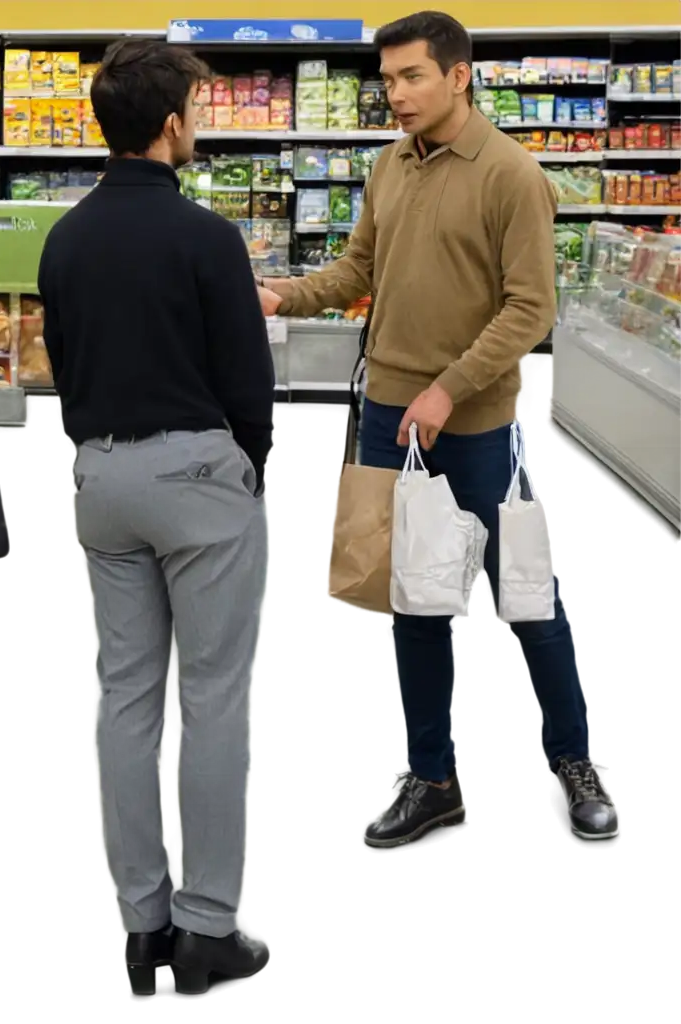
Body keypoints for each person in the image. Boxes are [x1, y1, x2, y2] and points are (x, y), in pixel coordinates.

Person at [259, 11, 620, 846]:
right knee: (416, 600)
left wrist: (450, 389)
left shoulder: (511, 175)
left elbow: (532, 308)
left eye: (412, 76)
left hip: (476, 424)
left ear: (459, 75)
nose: (397, 95)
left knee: (527, 594)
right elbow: (359, 269)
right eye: (387, 81)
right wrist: (283, 293)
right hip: (390, 417)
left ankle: (573, 759)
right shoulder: (389, 166)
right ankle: (432, 777)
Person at [37, 39, 275, 996]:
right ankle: (210, 928)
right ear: (172, 124)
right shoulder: (208, 238)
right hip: (198, 474)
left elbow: (64, 360)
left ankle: (142, 928)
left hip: (102, 477)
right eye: (199, 109)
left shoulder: (66, 238)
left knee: (125, 697)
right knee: (212, 694)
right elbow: (247, 380)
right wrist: (246, 465)